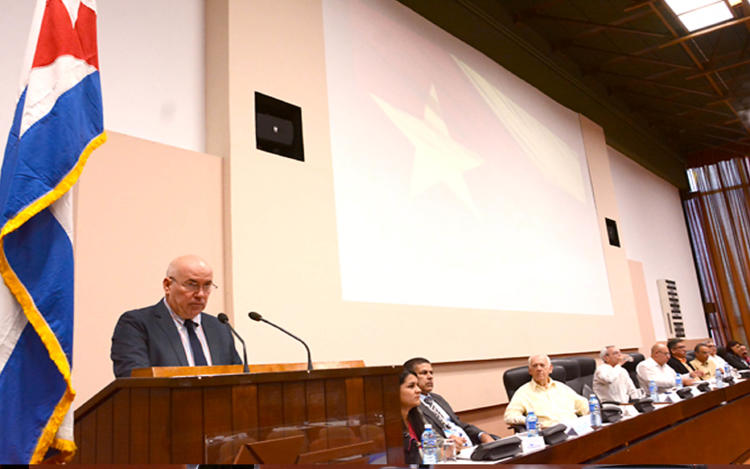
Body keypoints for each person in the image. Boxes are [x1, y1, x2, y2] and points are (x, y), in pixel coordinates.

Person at [110, 255, 242, 377]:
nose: (201, 294)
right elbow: (134, 381)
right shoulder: (137, 324)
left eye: (207, 286)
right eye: (192, 284)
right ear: (167, 285)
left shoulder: (219, 328)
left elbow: (238, 379)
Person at [403, 357, 495, 447]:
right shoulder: (413, 404)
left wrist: (482, 434)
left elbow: (459, 424)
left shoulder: (437, 398)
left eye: (431, 373)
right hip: (448, 450)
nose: (430, 377)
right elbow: (428, 439)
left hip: (470, 445)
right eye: (424, 373)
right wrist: (449, 444)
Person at [504, 354, 589, 429]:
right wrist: (527, 420)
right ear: (530, 371)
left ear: (550, 369)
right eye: (535, 366)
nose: (539, 369)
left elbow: (583, 405)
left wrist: (591, 413)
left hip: (574, 429)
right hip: (550, 434)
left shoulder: (561, 387)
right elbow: (509, 416)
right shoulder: (523, 392)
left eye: (542, 365)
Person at [400, 368, 424, 465]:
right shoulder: (388, 427)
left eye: (418, 385)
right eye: (411, 386)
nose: (418, 390)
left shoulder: (415, 417)